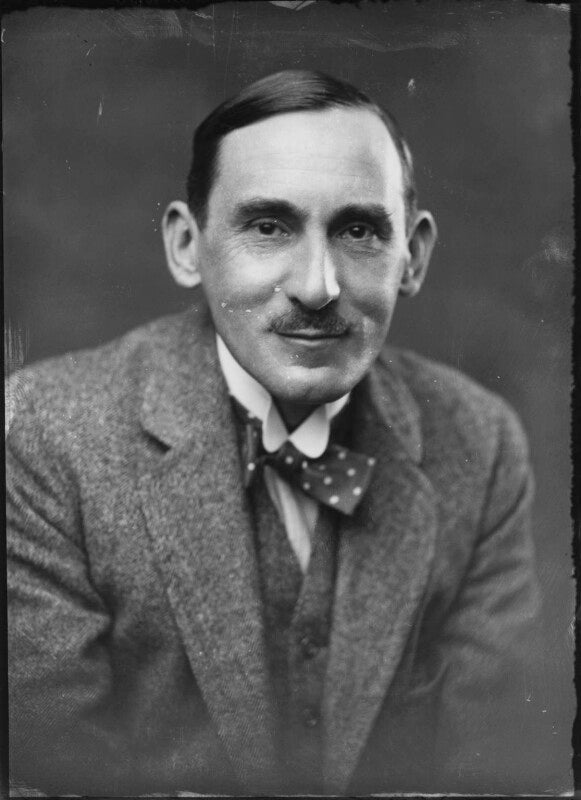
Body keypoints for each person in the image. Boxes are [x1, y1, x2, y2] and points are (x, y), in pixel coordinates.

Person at [7, 70, 547, 796]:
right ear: (187, 246)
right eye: (268, 227)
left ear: (412, 257)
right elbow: (48, 776)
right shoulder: (42, 435)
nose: (316, 286)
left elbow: (493, 769)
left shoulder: (479, 441)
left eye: (359, 231)